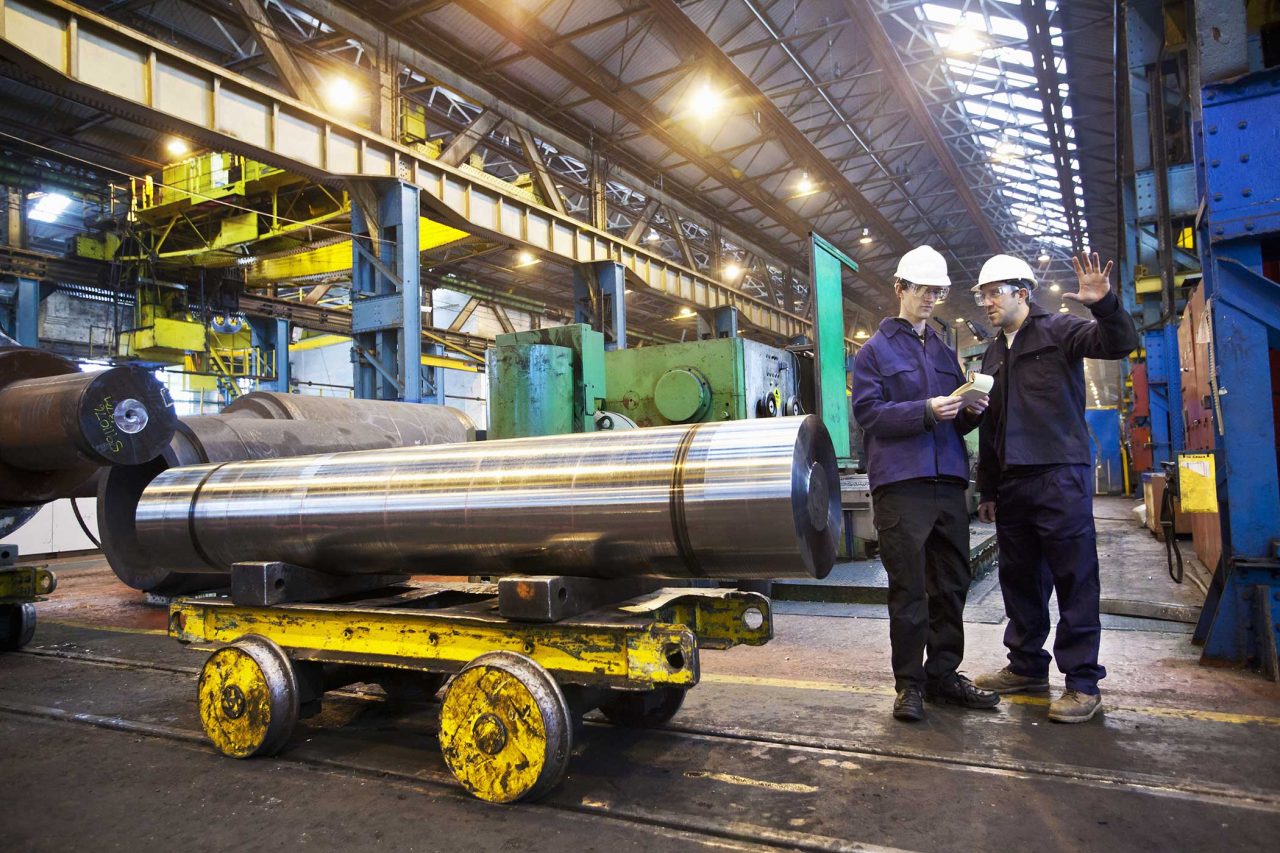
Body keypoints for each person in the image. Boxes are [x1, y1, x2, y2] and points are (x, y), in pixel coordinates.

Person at [971, 252, 1139, 723]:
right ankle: (1026, 666)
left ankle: (1083, 682)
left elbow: (1119, 343)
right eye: (982, 294)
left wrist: (1103, 304)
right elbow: (990, 424)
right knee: (1019, 581)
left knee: (1074, 578)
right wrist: (987, 488)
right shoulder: (992, 351)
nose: (986, 302)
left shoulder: (1060, 330)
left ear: (1021, 293)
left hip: (1060, 475)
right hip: (1012, 483)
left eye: (994, 293)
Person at [850, 245, 998, 722]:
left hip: (949, 483)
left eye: (938, 291)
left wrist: (970, 409)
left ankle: (943, 676)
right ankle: (909, 685)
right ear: (900, 289)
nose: (932, 298)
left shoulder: (941, 349)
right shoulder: (874, 353)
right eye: (924, 290)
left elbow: (954, 423)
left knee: (952, 584)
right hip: (902, 486)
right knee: (910, 590)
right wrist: (925, 410)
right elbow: (868, 414)